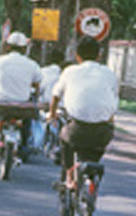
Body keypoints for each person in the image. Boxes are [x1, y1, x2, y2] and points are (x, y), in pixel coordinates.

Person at [48, 37, 118, 190]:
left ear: (77, 55)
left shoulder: (69, 71)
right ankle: (91, 175)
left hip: (77, 130)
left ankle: (69, 178)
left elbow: (55, 96)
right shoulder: (110, 74)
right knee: (97, 148)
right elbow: (113, 102)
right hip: (103, 132)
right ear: (99, 55)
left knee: (64, 137)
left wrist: (51, 114)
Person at [0, 32, 42, 148]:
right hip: (22, 105)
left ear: (8, 46)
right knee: (27, 117)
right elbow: (37, 84)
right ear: (24, 48)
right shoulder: (32, 65)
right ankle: (24, 144)